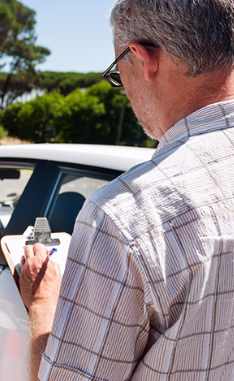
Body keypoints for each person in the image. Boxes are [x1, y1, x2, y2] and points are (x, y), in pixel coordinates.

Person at [19, 0, 234, 380]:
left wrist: (42, 303)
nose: (124, 89)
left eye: (118, 75)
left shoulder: (127, 214)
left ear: (143, 58)